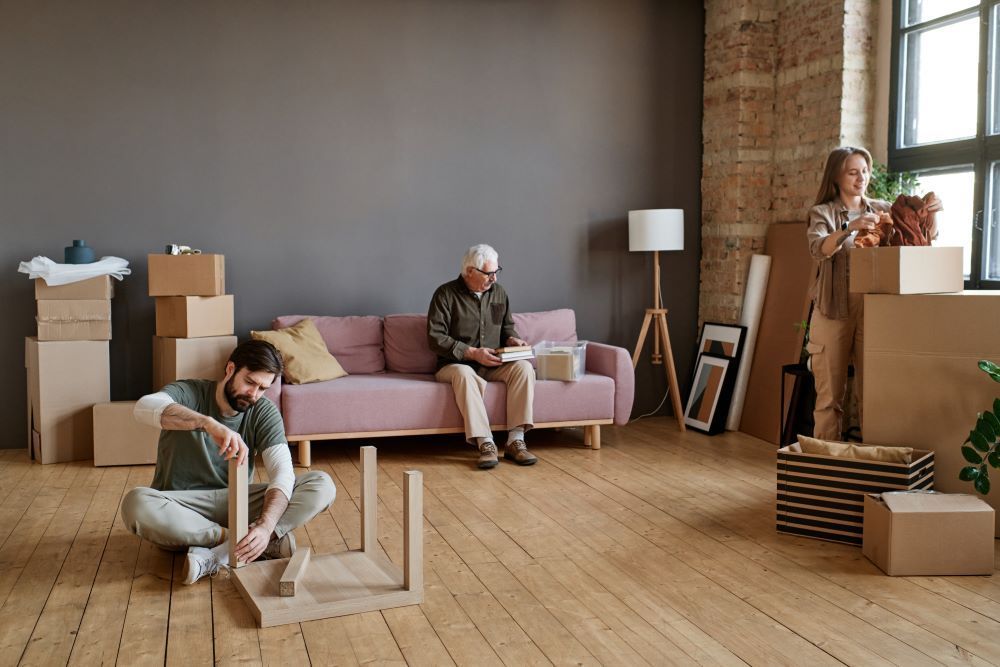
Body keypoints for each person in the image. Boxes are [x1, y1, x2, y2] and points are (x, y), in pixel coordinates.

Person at [120, 340, 336, 584]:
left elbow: (283, 473)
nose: (254, 394)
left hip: (237, 503)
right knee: (135, 503)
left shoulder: (263, 412)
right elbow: (143, 407)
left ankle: (238, 546)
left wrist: (266, 527)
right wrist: (207, 423)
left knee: (322, 484)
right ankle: (242, 542)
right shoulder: (189, 393)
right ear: (231, 369)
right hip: (182, 508)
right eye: (250, 382)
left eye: (263, 388)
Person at [806, 146, 942, 440]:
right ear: (836, 176)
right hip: (833, 310)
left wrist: (931, 213)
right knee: (829, 399)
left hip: (874, 312)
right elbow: (818, 249)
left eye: (865, 171)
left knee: (874, 396)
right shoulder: (823, 212)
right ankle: (827, 471)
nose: (861, 178)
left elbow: (917, 240)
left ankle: (872, 468)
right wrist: (849, 227)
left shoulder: (882, 209)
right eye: (853, 172)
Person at [428, 244, 538, 469]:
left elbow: (507, 327)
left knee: (524, 368)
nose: (494, 278)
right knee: (465, 373)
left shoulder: (499, 293)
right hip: (454, 364)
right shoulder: (445, 294)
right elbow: (435, 338)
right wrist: (471, 353)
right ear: (470, 271)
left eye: (497, 272)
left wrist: (512, 339)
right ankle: (485, 443)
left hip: (493, 362)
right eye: (489, 273)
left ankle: (516, 441)